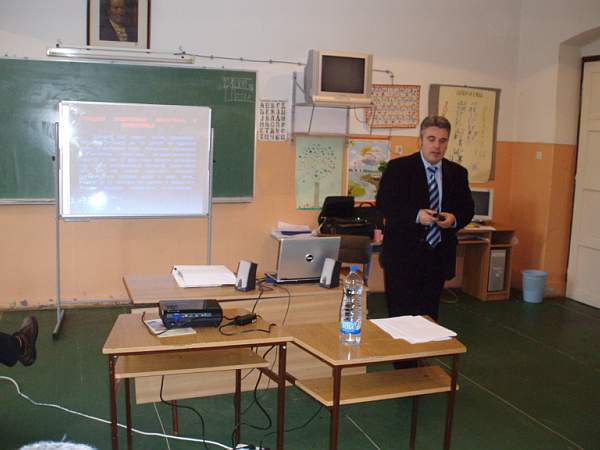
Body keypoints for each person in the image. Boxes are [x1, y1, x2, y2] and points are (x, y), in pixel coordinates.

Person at [376, 116, 474, 323]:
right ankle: (402, 346)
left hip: (437, 258)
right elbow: (385, 205)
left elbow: (468, 209)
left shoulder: (457, 173)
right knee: (401, 318)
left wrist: (453, 219)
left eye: (442, 140)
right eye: (431, 139)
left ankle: (425, 344)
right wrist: (416, 216)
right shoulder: (398, 168)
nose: (437, 146)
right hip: (402, 258)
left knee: (429, 317)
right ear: (420, 140)